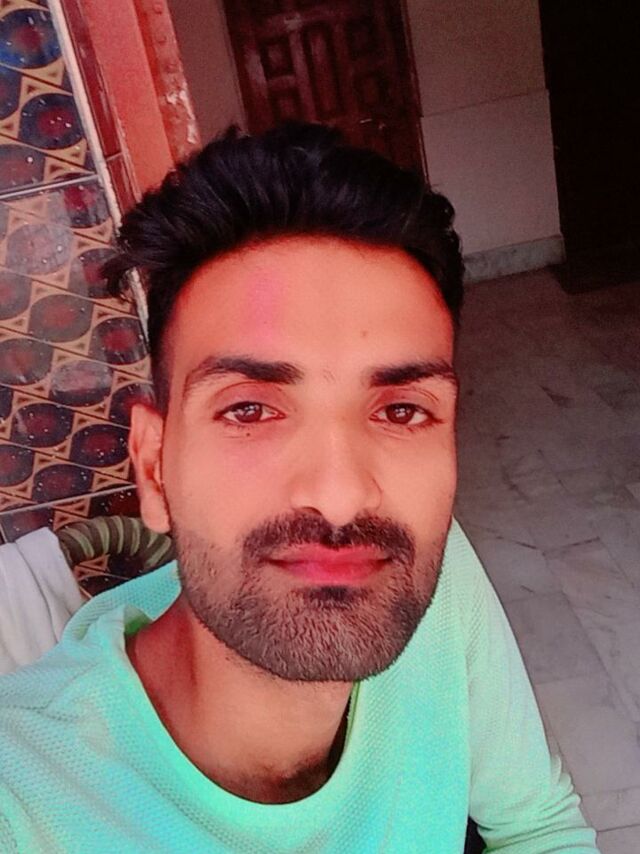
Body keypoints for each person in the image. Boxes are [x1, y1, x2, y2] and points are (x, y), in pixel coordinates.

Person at [0, 123, 598, 853]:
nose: (342, 500)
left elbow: (537, 827)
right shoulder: (26, 800)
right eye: (250, 410)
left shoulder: (434, 584)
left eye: (401, 411)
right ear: (154, 468)